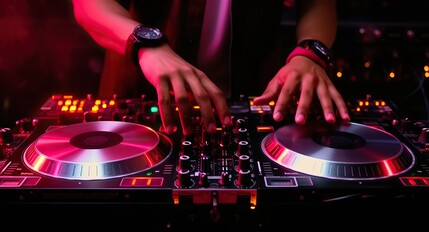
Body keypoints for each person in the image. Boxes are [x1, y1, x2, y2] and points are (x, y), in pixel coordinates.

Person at [71, 0, 350, 136]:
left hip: (259, 104)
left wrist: (309, 54)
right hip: (137, 109)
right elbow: (89, 6)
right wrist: (147, 46)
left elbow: (318, 3)